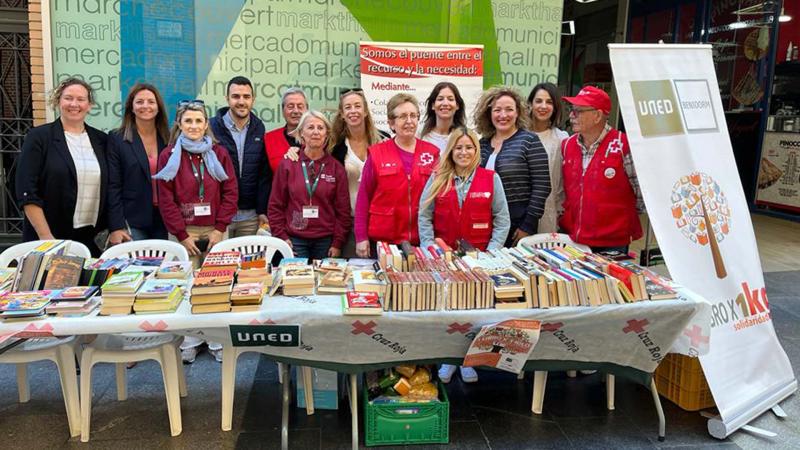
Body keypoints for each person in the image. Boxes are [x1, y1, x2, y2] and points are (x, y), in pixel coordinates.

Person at [16, 77, 108, 256]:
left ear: (89, 105)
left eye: (81, 99)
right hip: (49, 236)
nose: (74, 104)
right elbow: (26, 191)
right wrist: (46, 237)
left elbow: (111, 187)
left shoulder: (102, 140)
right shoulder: (39, 137)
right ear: (58, 101)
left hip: (92, 237)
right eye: (68, 98)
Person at [155, 100, 239, 268]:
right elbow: (166, 200)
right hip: (184, 232)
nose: (194, 126)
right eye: (188, 121)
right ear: (179, 124)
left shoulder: (219, 153)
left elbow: (231, 192)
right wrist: (181, 235)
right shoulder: (168, 156)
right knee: (184, 283)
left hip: (216, 229)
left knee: (218, 281)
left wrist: (220, 229)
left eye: (198, 121)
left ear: (206, 123)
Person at [560, 86, 643, 253]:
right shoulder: (567, 145)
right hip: (574, 237)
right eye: (571, 110)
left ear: (597, 115)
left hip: (613, 241)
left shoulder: (623, 146)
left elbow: (641, 193)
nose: (571, 115)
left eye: (578, 111)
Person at [354, 93, 439, 256]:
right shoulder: (377, 154)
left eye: (413, 116)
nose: (409, 121)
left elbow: (440, 199)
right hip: (384, 242)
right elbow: (364, 198)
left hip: (421, 240)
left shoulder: (432, 153)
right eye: (402, 117)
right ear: (391, 123)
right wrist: (361, 237)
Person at [268, 111, 351, 260]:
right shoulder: (288, 164)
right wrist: (281, 237)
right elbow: (276, 205)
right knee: (297, 283)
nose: (316, 132)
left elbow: (343, 211)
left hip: (326, 241)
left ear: (327, 134)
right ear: (301, 133)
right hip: (294, 240)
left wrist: (338, 243)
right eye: (310, 127)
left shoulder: (336, 168)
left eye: (320, 128)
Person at [475, 86, 551, 247]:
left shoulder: (530, 141)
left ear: (518, 113)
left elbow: (542, 185)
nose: (503, 115)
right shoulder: (481, 144)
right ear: (489, 113)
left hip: (518, 225)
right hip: (484, 223)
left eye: (509, 109)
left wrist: (528, 224)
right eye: (497, 110)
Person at [419, 127, 510, 252]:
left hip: (481, 255)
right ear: (451, 150)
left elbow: (502, 220)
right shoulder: (437, 178)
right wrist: (430, 248)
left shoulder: (492, 178)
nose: (463, 152)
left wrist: (492, 251)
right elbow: (424, 216)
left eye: (469, 147)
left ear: (476, 150)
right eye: (458, 148)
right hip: (443, 254)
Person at [107, 83, 170, 244]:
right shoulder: (117, 138)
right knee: (137, 268)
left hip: (165, 220)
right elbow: (113, 185)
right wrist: (116, 226)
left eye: (151, 101)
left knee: (164, 268)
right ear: (131, 107)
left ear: (158, 107)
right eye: (140, 102)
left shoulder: (169, 138)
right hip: (132, 221)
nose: (145, 106)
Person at [209, 76, 270, 237]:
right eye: (236, 96)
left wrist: (262, 209)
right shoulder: (211, 127)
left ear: (253, 99)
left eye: (246, 97)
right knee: (221, 262)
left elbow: (263, 173)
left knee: (248, 262)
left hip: (249, 217)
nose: (241, 101)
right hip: (219, 216)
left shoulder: (259, 128)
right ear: (227, 98)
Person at [528, 83, 569, 234]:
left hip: (549, 212)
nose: (543, 106)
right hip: (520, 213)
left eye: (549, 102)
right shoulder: (518, 135)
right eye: (538, 101)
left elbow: (562, 181)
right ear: (530, 104)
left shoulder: (561, 138)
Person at [264, 87, 307, 171]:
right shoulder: (269, 139)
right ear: (283, 111)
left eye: (300, 106)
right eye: (290, 107)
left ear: (307, 110)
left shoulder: (317, 139)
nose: (295, 111)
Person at [419, 82, 467, 153]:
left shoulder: (464, 136)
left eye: (450, 99)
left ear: (457, 106)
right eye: (440, 99)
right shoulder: (420, 135)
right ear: (433, 105)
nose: (445, 103)